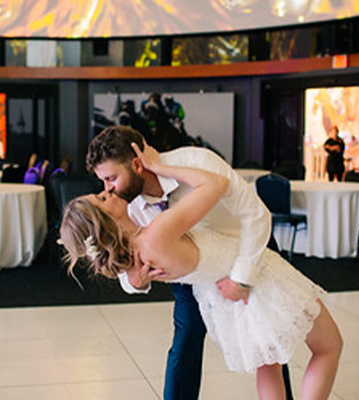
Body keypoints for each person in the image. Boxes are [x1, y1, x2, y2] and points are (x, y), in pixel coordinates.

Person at [61, 141, 343, 400]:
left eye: (110, 180)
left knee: (269, 361)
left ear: (136, 164)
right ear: (106, 220)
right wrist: (160, 168)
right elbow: (214, 185)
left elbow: (256, 215)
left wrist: (240, 276)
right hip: (230, 281)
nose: (108, 189)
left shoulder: (189, 166)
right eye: (102, 191)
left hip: (243, 260)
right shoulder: (149, 230)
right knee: (327, 346)